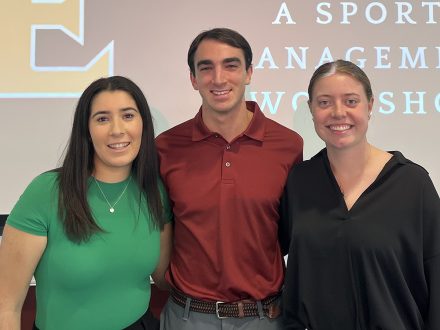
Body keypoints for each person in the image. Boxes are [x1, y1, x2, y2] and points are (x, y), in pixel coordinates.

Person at [155, 27, 303, 329]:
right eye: (206, 68)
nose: (219, 79)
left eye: (231, 65)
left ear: (248, 73)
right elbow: (162, 233)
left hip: (265, 319)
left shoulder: (288, 145)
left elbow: (288, 235)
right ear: (193, 79)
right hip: (187, 317)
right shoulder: (165, 147)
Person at [0, 76, 173, 330]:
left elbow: (163, 278)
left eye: (128, 116)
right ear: (86, 130)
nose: (117, 129)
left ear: (143, 124)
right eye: (102, 118)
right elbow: (7, 306)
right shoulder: (46, 192)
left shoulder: (154, 190)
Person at [281, 59, 440, 329]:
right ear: (311, 110)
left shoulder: (412, 184)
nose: (338, 112)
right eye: (324, 102)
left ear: (370, 106)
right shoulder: (300, 181)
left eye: (351, 101)